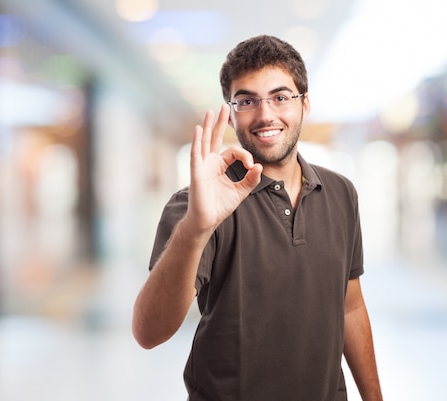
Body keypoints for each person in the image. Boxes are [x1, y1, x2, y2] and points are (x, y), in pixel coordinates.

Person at [133, 35, 383, 401]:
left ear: (304, 104)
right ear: (231, 111)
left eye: (280, 97)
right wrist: (196, 227)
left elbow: (350, 307)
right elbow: (148, 331)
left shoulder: (340, 193)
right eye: (247, 100)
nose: (265, 114)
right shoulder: (195, 205)